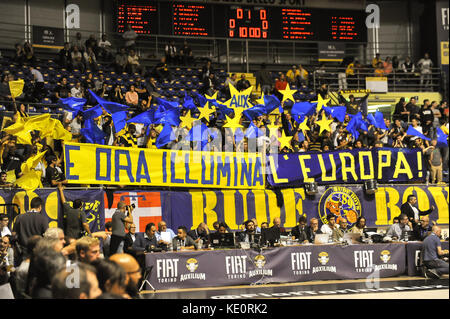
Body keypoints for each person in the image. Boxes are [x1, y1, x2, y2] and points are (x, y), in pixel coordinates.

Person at [11, 197, 48, 262]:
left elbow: (14, 234)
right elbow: (47, 235)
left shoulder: (20, 217)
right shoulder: (43, 219)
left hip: (22, 252)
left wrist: (15, 249)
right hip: (37, 252)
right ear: (40, 207)